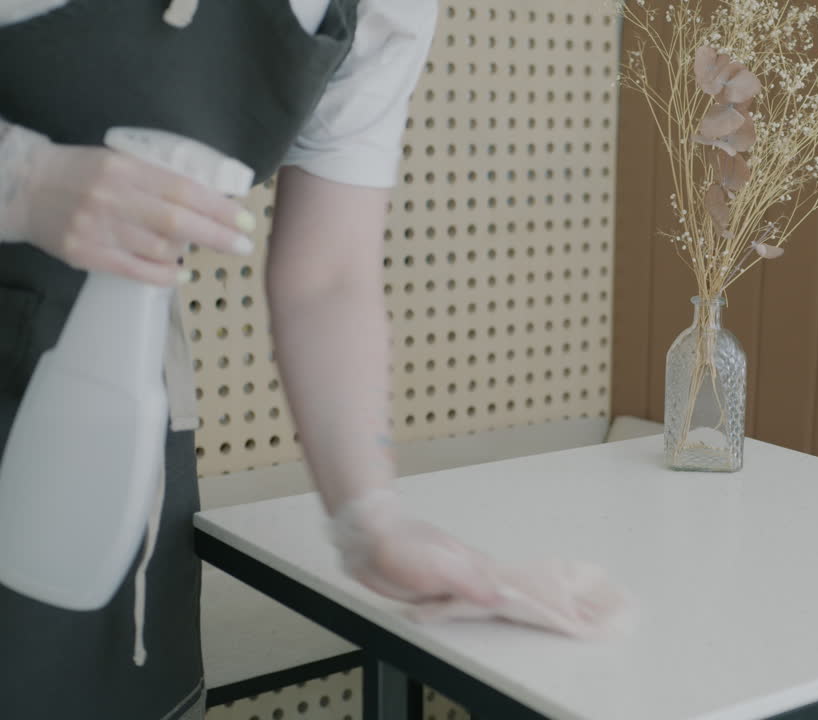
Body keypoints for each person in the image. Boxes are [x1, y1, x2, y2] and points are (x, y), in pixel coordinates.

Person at [0, 2, 503, 718]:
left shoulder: (388, 12)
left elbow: (327, 277)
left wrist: (369, 517)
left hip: (119, 418)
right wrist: (23, 182)